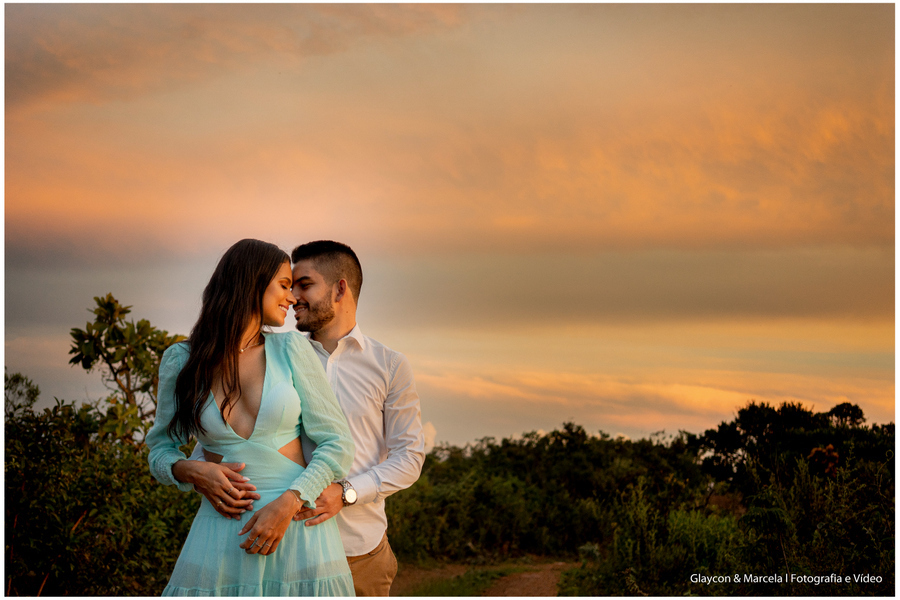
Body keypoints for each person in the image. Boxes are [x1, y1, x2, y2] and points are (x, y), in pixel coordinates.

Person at [198, 240, 426, 596]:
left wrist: (346, 492)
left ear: (340, 289)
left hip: (357, 548)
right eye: (289, 286)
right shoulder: (274, 353)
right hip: (280, 543)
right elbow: (231, 436)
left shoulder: (389, 365)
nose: (294, 298)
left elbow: (409, 456)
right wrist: (199, 471)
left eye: (304, 285)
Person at [146, 238, 356, 596]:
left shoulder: (291, 349)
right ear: (250, 283)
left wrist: (290, 503)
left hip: (296, 528)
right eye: (284, 285)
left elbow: (337, 444)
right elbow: (159, 450)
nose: (292, 299)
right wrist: (191, 471)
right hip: (219, 533)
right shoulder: (182, 360)